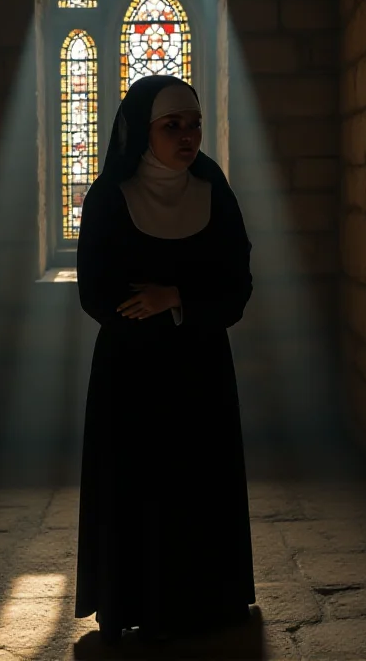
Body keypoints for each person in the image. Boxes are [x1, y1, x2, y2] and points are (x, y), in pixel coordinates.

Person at [74, 74, 256, 645]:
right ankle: (132, 600)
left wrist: (174, 298)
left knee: (200, 483)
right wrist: (139, 313)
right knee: (138, 485)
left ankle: (207, 598)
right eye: (172, 125)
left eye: (194, 124)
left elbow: (238, 286)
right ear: (141, 131)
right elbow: (93, 290)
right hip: (131, 375)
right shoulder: (109, 197)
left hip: (200, 368)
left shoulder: (213, 188)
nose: (187, 137)